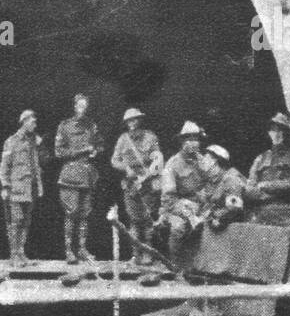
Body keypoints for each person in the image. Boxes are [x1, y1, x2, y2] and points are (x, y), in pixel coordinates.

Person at [157, 121, 221, 260]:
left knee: (218, 222)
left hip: (202, 205)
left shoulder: (203, 160)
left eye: (196, 139)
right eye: (189, 139)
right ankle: (175, 265)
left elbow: (216, 180)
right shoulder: (173, 164)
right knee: (179, 227)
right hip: (177, 209)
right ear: (182, 142)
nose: (194, 143)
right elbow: (168, 199)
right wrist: (187, 210)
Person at [110, 108, 164, 265]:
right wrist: (126, 168)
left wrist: (152, 167)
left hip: (148, 184)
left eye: (134, 120)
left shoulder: (150, 137)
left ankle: (148, 253)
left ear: (140, 120)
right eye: (129, 121)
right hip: (131, 185)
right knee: (134, 221)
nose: (132, 123)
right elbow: (114, 160)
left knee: (147, 220)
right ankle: (135, 254)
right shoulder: (123, 139)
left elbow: (158, 157)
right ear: (126, 123)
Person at [54, 93, 104, 262]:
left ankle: (82, 249)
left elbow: (100, 144)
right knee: (71, 213)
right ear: (75, 107)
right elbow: (58, 151)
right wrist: (81, 151)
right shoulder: (65, 126)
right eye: (80, 106)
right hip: (70, 175)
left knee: (84, 214)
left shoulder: (92, 126)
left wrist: (96, 150)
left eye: (85, 106)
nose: (83, 109)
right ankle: (69, 251)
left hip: (87, 176)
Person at [0, 109, 48, 266]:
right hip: (16, 188)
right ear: (24, 122)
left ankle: (21, 252)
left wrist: (41, 146)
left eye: (35, 122)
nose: (34, 124)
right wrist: (5, 186)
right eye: (32, 122)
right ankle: (13, 255)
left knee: (26, 222)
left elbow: (40, 164)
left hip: (30, 189)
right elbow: (3, 167)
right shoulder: (12, 141)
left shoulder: (35, 141)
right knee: (16, 221)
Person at [247, 112, 290, 226]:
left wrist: (264, 186)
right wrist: (265, 194)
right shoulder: (261, 158)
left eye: (281, 130)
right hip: (262, 215)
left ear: (287, 134)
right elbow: (250, 188)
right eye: (273, 130)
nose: (277, 134)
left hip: (287, 216)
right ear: (269, 133)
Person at [203, 145, 248, 227]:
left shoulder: (231, 179)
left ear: (214, 161)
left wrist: (213, 215)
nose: (202, 162)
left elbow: (235, 207)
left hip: (238, 226)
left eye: (205, 158)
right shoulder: (212, 181)